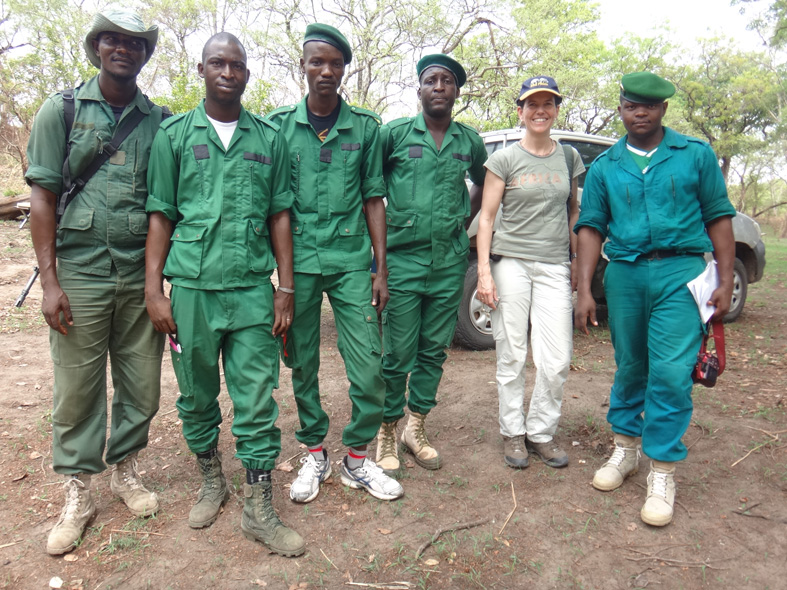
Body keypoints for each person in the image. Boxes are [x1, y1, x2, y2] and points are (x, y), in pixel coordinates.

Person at [145, 33, 304, 556]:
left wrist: (286, 287)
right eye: (218, 63)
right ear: (201, 69)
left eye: (237, 65)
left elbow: (280, 213)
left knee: (258, 399)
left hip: (253, 291)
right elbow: (162, 214)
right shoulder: (173, 136)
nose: (228, 73)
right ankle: (212, 479)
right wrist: (155, 289)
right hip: (190, 289)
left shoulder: (268, 138)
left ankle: (259, 508)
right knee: (195, 394)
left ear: (247, 74)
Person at [25, 8, 166, 556]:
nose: (123, 49)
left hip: (137, 274)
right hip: (78, 272)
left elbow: (163, 208)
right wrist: (49, 282)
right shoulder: (59, 110)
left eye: (134, 43)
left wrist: (156, 284)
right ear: (97, 47)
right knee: (77, 388)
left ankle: (125, 472)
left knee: (142, 384)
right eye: (113, 40)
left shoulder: (158, 121)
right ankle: (78, 493)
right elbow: (42, 196)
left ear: (145, 53)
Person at [574, 71, 735, 527]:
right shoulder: (606, 166)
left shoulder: (694, 156)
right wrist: (585, 289)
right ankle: (625, 450)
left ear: (663, 109)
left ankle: (661, 469)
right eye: (629, 105)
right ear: (621, 108)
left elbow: (719, 217)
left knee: (668, 371)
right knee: (631, 365)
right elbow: (591, 228)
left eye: (647, 106)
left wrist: (723, 279)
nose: (638, 113)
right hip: (624, 274)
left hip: (680, 272)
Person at [266, 23, 403, 504]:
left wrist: (379, 268)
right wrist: (280, 279)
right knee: (300, 361)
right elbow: (273, 206)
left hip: (349, 261)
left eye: (335, 63)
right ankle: (315, 451)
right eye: (316, 62)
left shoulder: (365, 127)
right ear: (302, 66)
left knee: (368, 365)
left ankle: (357, 459)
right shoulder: (278, 126)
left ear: (346, 69)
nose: (326, 71)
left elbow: (374, 198)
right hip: (298, 262)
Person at [374, 55, 486, 476]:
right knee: (396, 352)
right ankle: (386, 428)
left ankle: (415, 426)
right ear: (419, 90)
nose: (439, 86)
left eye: (447, 81)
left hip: (448, 264)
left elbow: (485, 182)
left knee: (432, 352)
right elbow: (371, 193)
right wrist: (379, 265)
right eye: (430, 80)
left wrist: (465, 217)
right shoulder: (396, 135)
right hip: (403, 261)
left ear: (456, 91)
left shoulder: (468, 141)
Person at [476, 76, 584, 471]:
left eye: (548, 104)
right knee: (512, 352)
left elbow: (572, 212)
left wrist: (575, 262)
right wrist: (484, 273)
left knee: (556, 359)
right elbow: (486, 218)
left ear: (556, 110)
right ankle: (512, 432)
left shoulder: (569, 157)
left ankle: (540, 431)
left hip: (554, 264)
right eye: (532, 104)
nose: (540, 111)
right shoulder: (504, 158)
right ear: (519, 111)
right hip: (512, 264)